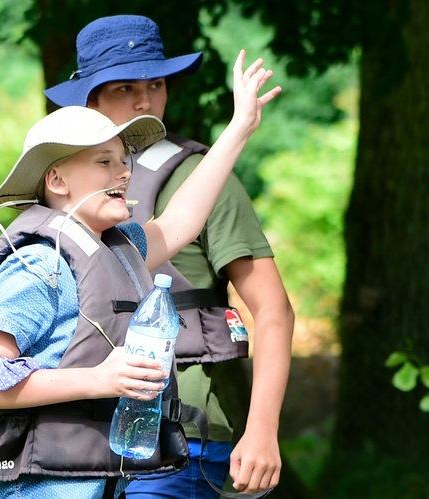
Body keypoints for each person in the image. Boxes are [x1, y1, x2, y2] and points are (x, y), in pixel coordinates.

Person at [0, 49, 279, 499]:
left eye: (123, 160)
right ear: (56, 180)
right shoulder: (37, 264)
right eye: (104, 162)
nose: (123, 172)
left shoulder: (118, 248)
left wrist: (239, 127)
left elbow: (181, 222)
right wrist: (98, 379)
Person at [44, 15, 295, 497]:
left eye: (156, 83)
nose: (145, 100)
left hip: (182, 433)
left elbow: (274, 309)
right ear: (90, 100)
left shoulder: (201, 178)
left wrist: (262, 430)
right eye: (124, 88)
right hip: (82, 436)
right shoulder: (62, 184)